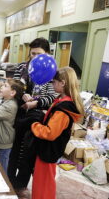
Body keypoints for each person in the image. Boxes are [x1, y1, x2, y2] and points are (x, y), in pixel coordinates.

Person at [8, 37, 57, 198]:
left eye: (38, 54)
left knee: (28, 151)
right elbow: (14, 87)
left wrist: (36, 103)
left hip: (36, 116)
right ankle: (8, 179)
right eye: (32, 54)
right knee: (14, 147)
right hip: (19, 112)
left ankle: (21, 184)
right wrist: (22, 96)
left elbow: (52, 97)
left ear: (47, 54)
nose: (34, 57)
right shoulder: (22, 66)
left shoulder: (51, 70)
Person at [31, 67, 84, 199]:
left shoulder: (64, 108)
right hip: (49, 150)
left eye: (54, 82)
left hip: (49, 150)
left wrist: (34, 125)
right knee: (43, 182)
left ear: (63, 83)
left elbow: (50, 133)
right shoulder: (62, 101)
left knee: (43, 185)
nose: (52, 84)